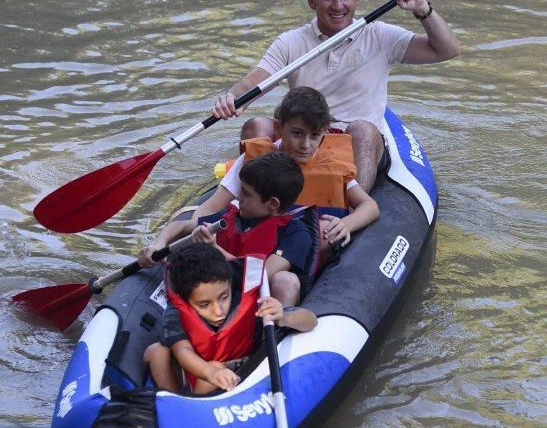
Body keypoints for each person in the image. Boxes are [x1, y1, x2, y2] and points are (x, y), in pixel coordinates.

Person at [211, 0, 461, 190]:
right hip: (303, 140)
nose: (338, 5)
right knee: (256, 125)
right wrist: (232, 98)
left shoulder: (381, 36)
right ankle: (253, 201)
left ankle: (354, 212)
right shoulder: (291, 41)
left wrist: (422, 9)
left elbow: (447, 50)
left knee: (362, 129)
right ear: (311, 1)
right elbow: (256, 80)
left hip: (356, 146)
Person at [204, 87, 379, 254]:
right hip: (257, 244)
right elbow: (212, 206)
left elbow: (370, 206)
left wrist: (347, 223)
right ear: (279, 128)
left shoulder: (333, 166)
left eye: (314, 136)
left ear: (325, 133)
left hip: (306, 249)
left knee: (324, 230)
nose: (305, 145)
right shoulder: (257, 157)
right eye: (297, 133)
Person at [139, 151, 319, 307]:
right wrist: (158, 245)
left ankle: (276, 337)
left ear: (272, 203)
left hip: (258, 308)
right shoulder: (235, 217)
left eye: (246, 194)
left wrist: (215, 249)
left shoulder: (297, 234)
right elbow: (182, 226)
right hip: (217, 298)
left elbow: (262, 274)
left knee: (286, 280)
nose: (238, 197)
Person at [144, 243, 317, 396]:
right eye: (204, 304)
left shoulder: (250, 300)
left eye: (223, 297)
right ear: (186, 301)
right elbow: (183, 352)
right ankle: (173, 402)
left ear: (229, 284)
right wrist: (210, 372)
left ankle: (195, 403)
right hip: (200, 372)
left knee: (213, 371)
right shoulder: (176, 312)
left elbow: (311, 321)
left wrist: (284, 316)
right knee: (155, 351)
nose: (218, 311)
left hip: (244, 367)